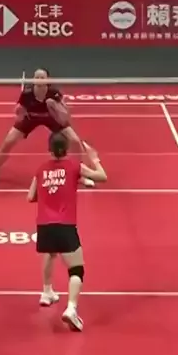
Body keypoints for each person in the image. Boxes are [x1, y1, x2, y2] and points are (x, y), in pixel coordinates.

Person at [28, 132, 107, 332]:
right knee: (76, 270)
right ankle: (71, 309)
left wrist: (50, 193)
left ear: (49, 149)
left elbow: (31, 196)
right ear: (66, 149)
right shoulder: (74, 166)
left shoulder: (41, 169)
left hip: (44, 225)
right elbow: (102, 177)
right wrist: (94, 158)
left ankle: (46, 292)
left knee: (50, 253)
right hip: (65, 224)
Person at [0, 68, 91, 186]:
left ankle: (80, 174)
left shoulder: (54, 93)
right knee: (8, 141)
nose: (39, 80)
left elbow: (65, 115)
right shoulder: (27, 93)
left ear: (47, 80)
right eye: (37, 77)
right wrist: (19, 111)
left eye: (42, 77)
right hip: (30, 118)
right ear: (33, 79)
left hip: (52, 117)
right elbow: (18, 112)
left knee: (75, 141)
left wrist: (55, 106)